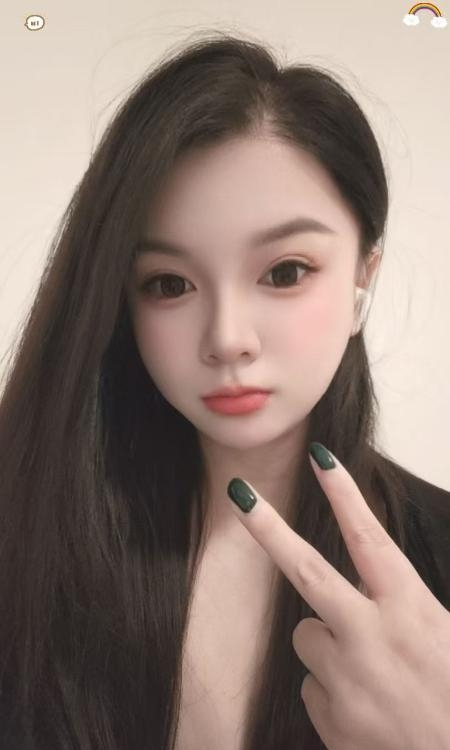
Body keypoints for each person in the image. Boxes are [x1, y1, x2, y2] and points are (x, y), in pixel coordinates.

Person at [0, 30, 448, 750]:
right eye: (169, 284)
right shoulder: (27, 539)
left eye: (285, 271)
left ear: (363, 278)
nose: (228, 338)